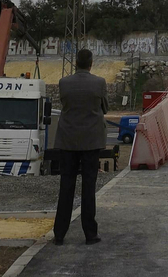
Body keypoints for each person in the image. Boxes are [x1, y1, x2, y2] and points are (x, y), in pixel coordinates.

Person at [53, 48, 108, 246]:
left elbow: (65, 105)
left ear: (76, 63)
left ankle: (59, 233)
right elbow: (105, 107)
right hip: (91, 141)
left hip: (67, 140)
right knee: (88, 187)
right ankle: (90, 234)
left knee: (66, 186)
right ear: (91, 63)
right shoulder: (99, 83)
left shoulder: (64, 83)